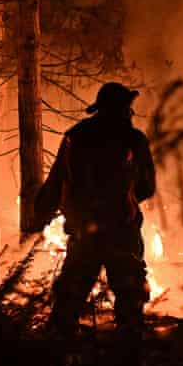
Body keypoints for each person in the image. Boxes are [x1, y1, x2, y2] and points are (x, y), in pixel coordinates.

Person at [34, 81, 156, 340]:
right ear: (122, 109)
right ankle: (130, 355)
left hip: (84, 231)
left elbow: (57, 180)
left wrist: (43, 210)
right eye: (128, 109)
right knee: (130, 298)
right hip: (121, 232)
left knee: (70, 297)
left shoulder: (76, 135)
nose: (130, 114)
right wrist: (126, 202)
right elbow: (147, 186)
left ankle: (57, 353)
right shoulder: (133, 139)